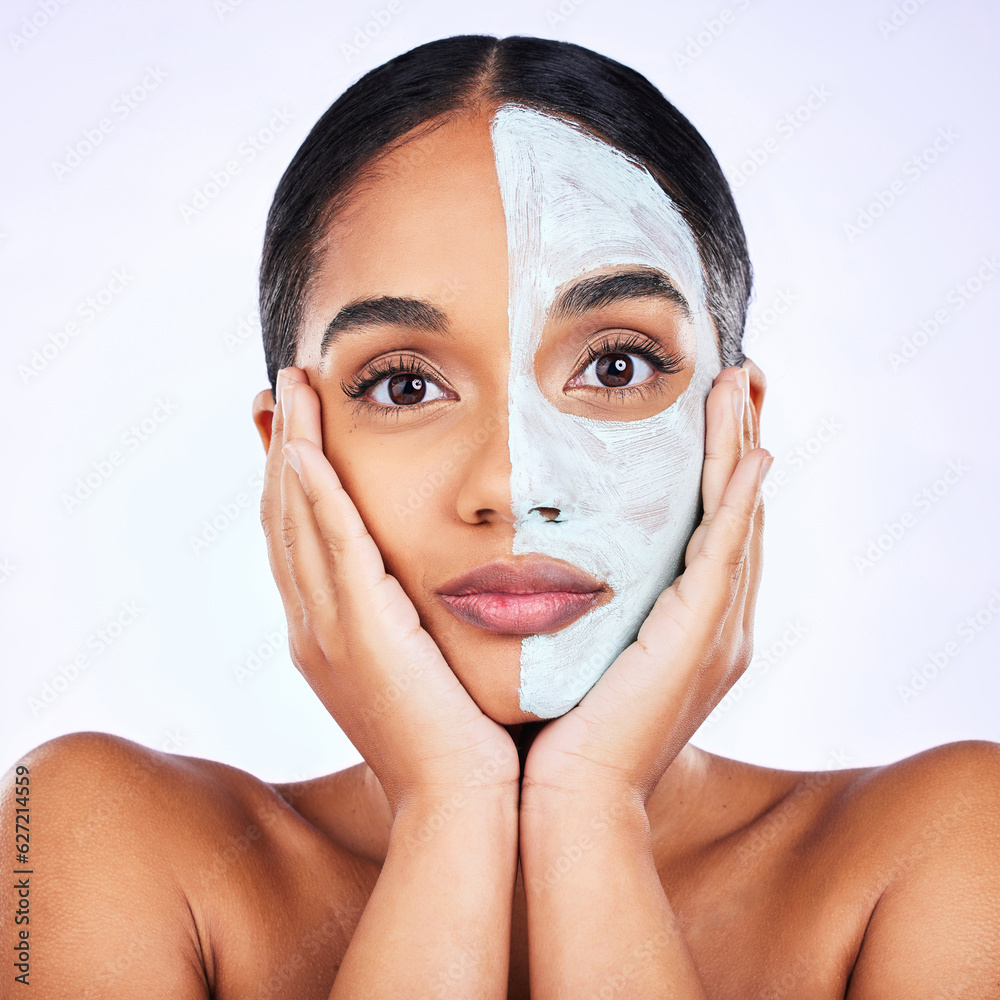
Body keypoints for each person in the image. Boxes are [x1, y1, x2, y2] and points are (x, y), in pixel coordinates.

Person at [3, 34, 998, 1000]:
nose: (514, 484)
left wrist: (591, 811)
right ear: (285, 456)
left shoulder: (949, 848)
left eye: (616, 365)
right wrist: (449, 810)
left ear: (733, 428)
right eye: (402, 385)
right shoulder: (86, 834)